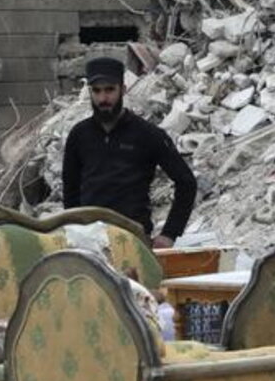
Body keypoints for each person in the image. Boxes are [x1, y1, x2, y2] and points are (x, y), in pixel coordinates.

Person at [62, 57, 197, 248]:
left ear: (123, 90)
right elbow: (70, 190)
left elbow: (186, 183)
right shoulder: (79, 135)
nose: (103, 99)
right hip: (89, 240)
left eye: (109, 90)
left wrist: (170, 233)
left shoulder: (148, 134)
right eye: (97, 91)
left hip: (133, 239)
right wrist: (74, 230)